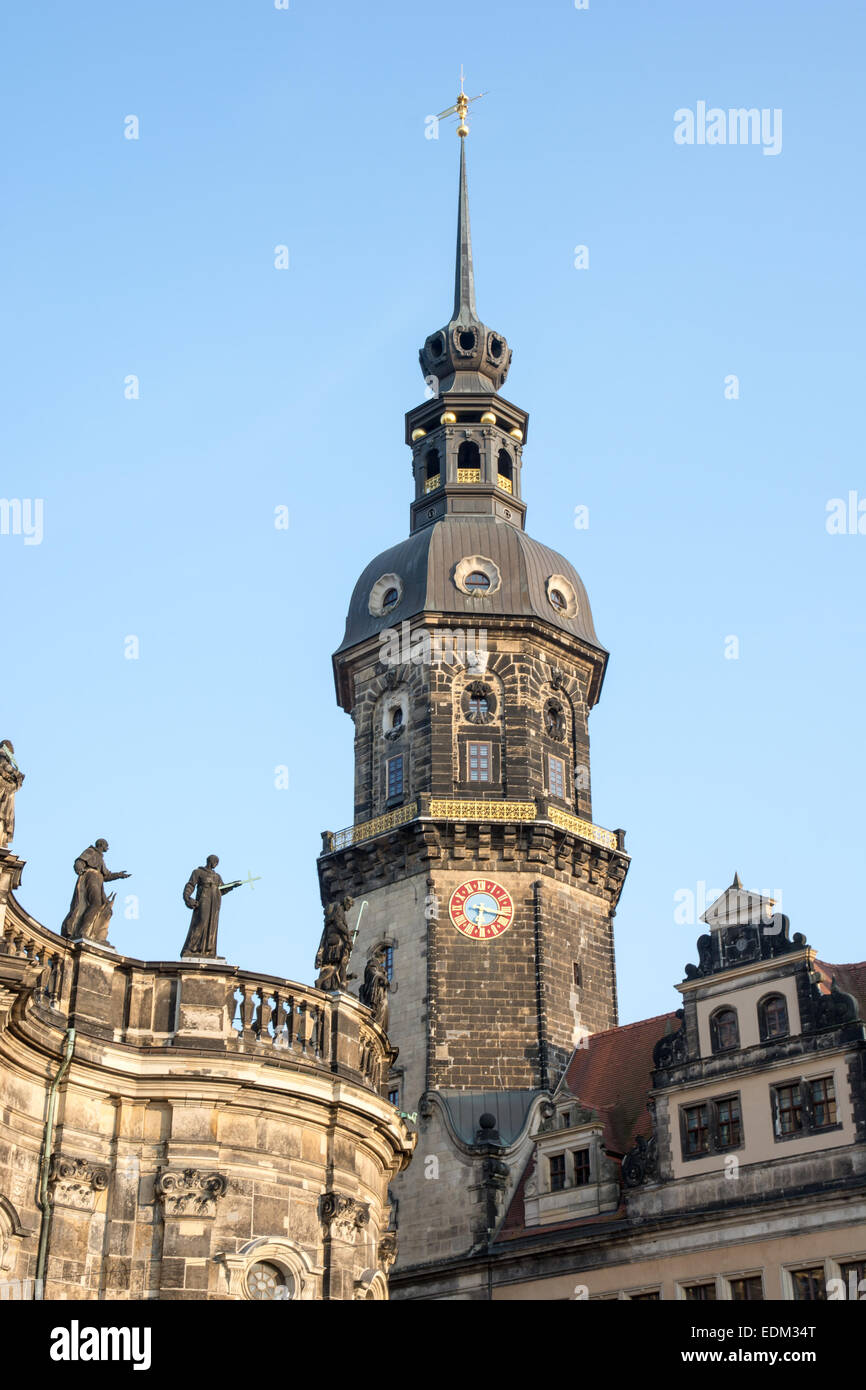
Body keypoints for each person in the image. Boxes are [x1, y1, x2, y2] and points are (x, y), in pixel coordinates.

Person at [61, 839, 130, 942]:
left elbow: (106, 875)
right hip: (91, 877)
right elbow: (79, 861)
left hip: (98, 880)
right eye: (107, 845)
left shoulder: (101, 858)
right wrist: (79, 868)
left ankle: (87, 931)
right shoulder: (91, 851)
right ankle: (82, 931)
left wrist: (119, 875)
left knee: (100, 906)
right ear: (101, 844)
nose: (108, 847)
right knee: (96, 903)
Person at [181, 855, 238, 958]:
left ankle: (209, 951)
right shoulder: (198, 872)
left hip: (215, 902)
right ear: (210, 861)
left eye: (217, 863)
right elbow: (190, 885)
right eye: (215, 862)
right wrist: (187, 897)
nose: (216, 864)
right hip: (204, 899)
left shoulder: (217, 877)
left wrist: (232, 885)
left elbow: (222, 889)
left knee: (212, 925)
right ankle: (190, 949)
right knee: (201, 921)